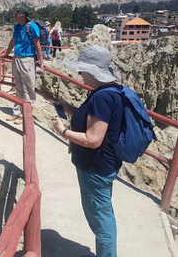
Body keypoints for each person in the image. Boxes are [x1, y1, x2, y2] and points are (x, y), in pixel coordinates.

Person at [51, 45, 123, 257]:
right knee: (103, 214)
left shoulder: (102, 97)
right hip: (101, 166)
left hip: (95, 169)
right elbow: (96, 122)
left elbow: (93, 139)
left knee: (101, 220)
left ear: (92, 71)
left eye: (81, 70)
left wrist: (62, 131)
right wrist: (71, 110)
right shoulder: (108, 92)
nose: (79, 74)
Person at [2, 9, 46, 125]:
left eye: (16, 14)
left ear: (22, 15)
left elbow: (37, 44)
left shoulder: (31, 27)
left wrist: (41, 61)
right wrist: (6, 53)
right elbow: (13, 41)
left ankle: (26, 114)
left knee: (28, 87)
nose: (14, 16)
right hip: (17, 57)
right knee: (19, 85)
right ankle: (17, 112)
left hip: (27, 59)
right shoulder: (17, 26)